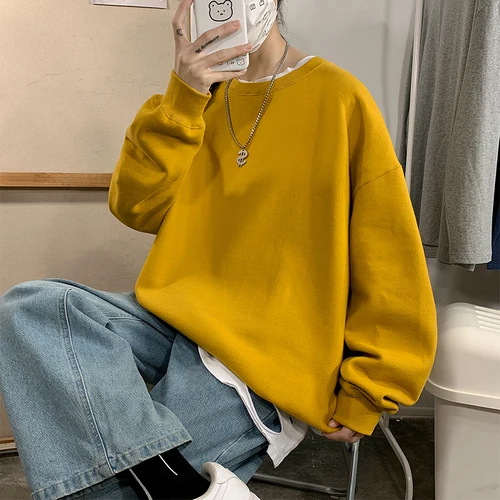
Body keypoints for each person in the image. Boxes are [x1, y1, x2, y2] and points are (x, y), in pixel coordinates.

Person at [0, 0, 438, 499]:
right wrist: (183, 97)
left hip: (263, 358)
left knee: (107, 488)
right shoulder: (195, 101)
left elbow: (389, 255)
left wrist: (369, 388)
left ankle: (161, 481)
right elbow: (136, 207)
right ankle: (175, 483)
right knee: (31, 308)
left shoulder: (339, 98)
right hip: (173, 320)